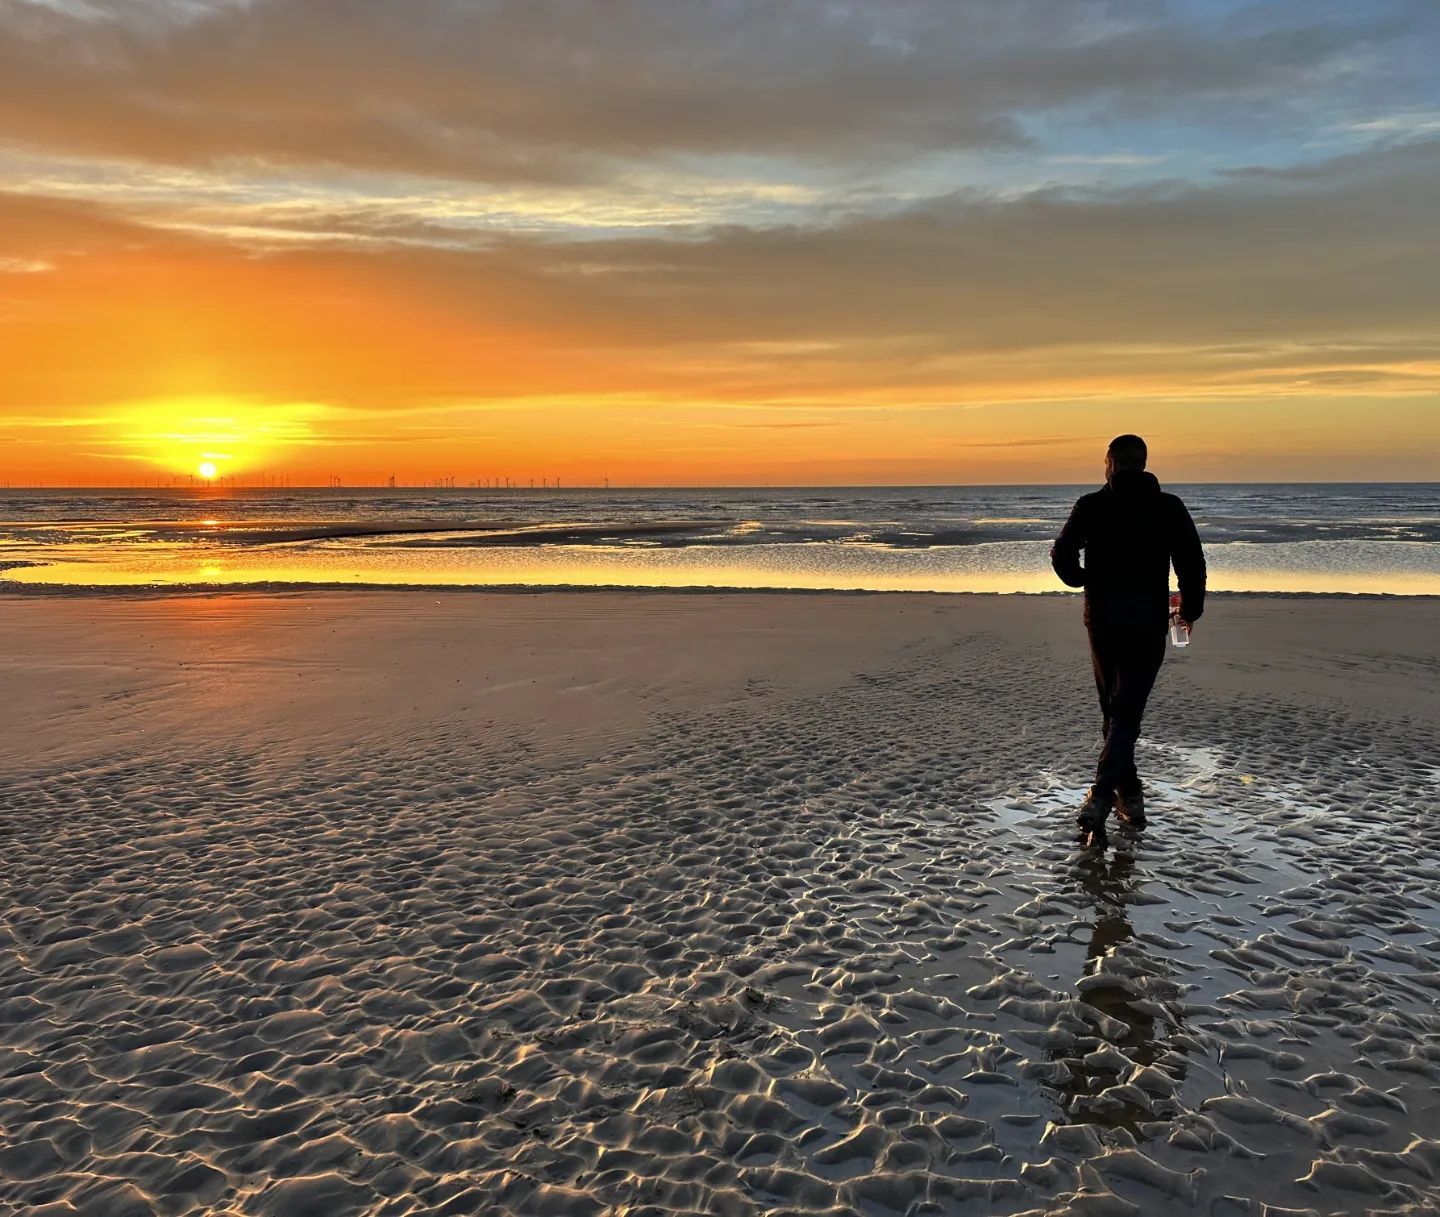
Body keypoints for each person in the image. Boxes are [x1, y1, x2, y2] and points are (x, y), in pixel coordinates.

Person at [1051, 435, 1206, 847]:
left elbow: (1061, 554)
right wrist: (1189, 611)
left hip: (1102, 616)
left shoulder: (1093, 505)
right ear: (1142, 464)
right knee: (1125, 710)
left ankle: (1117, 796)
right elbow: (1191, 561)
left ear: (1110, 464)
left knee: (1117, 709)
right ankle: (1113, 796)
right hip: (1145, 618)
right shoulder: (1166, 506)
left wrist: (1082, 579)